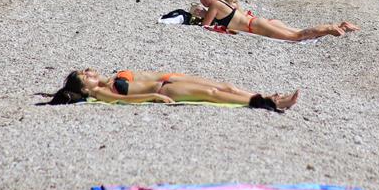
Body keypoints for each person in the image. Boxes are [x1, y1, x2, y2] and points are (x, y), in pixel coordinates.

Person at [49, 68, 298, 111]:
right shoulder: (98, 93)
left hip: (168, 83)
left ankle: (267, 97)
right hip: (167, 91)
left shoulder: (109, 81)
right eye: (86, 76)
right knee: (213, 95)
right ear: (85, 88)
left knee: (225, 86)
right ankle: (270, 103)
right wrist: (154, 96)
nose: (91, 72)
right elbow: (123, 102)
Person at [196, 0, 360, 41]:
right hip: (257, 22)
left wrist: (200, 14)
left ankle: (330, 29)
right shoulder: (220, 2)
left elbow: (205, 26)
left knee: (297, 37)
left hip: (255, 26)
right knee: (300, 32)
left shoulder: (215, 5)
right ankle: (340, 25)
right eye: (201, 0)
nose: (203, 2)